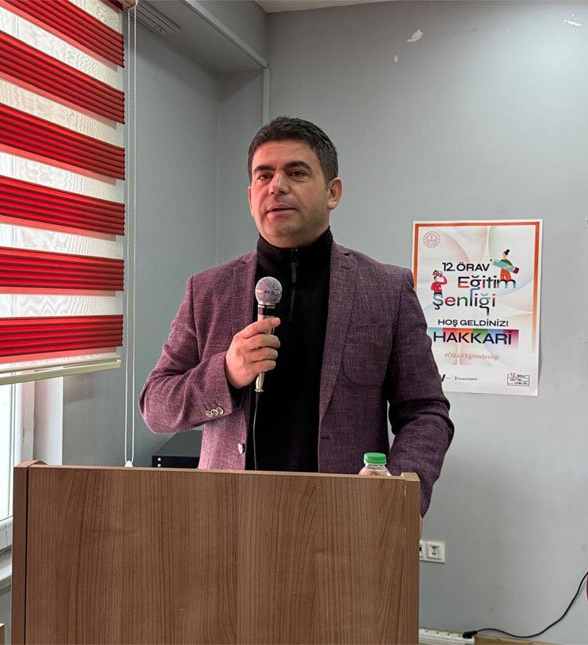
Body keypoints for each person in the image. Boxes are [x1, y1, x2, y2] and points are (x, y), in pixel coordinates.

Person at [139, 117, 453, 516]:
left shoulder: (386, 290)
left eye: (296, 172)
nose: (277, 186)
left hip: (346, 520)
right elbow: (156, 406)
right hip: (228, 521)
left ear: (332, 193)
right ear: (250, 196)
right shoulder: (208, 290)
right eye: (264, 175)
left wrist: (398, 494)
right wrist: (226, 374)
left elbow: (426, 411)